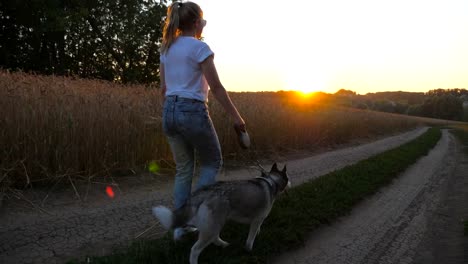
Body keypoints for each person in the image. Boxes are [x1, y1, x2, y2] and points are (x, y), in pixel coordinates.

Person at [159, 1, 246, 237]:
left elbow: (164, 88)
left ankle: (179, 228)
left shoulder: (166, 48)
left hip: (169, 110)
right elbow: (216, 87)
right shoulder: (200, 48)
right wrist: (237, 118)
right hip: (192, 111)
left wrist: (170, 112)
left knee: (184, 169)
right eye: (202, 22)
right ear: (197, 23)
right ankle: (195, 216)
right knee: (212, 162)